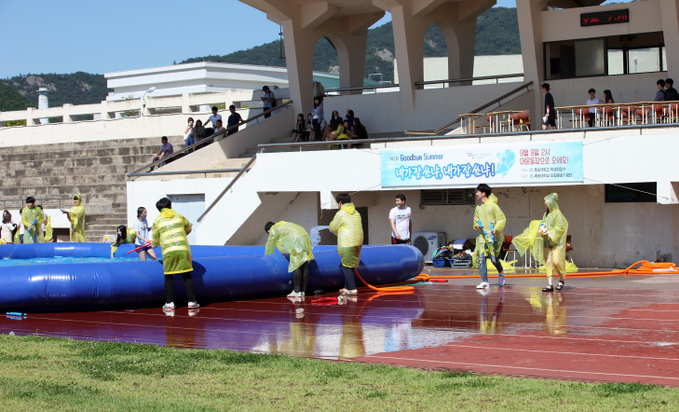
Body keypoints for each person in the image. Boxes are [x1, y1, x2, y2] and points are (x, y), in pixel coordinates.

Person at [152, 197, 199, 312]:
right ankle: (192, 301)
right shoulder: (179, 216)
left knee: (168, 276)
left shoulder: (157, 221)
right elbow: (188, 228)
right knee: (186, 274)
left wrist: (155, 243)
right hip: (183, 249)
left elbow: (154, 240)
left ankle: (170, 303)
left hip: (169, 251)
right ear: (170, 206)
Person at [264, 221, 315, 298]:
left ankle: (296, 291)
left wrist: (267, 256)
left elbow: (270, 244)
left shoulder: (274, 229)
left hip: (296, 239)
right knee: (304, 264)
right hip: (305, 237)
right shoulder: (282, 225)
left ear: (268, 231)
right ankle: (303, 291)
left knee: (296, 264)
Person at [329, 193, 363, 296]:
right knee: (350, 264)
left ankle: (352, 289)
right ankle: (346, 287)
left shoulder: (341, 213)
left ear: (340, 203)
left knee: (346, 266)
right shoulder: (356, 212)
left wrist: (334, 229)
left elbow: (333, 227)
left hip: (347, 243)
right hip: (358, 242)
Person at [473, 184, 506, 289]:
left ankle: (500, 272)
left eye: (478, 191)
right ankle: (484, 281)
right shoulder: (478, 208)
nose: (476, 193)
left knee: (494, 260)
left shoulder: (493, 206)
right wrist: (476, 226)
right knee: (481, 259)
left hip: (494, 238)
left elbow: (502, 219)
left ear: (483, 193)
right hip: (483, 238)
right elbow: (475, 220)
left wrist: (496, 228)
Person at [540, 193, 569, 292]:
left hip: (557, 243)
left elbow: (560, 227)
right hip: (548, 242)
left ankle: (561, 280)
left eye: (546, 201)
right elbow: (543, 225)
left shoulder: (557, 214)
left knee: (556, 261)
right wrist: (542, 231)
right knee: (549, 262)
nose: (545, 203)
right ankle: (550, 284)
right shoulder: (546, 214)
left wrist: (550, 233)